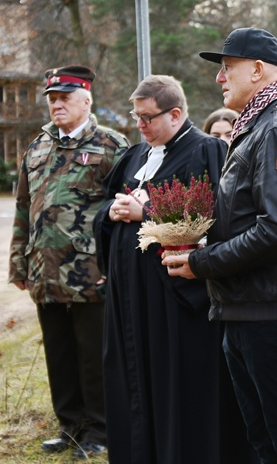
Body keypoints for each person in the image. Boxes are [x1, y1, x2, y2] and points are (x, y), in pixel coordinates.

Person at [162, 27, 277, 464]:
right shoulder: (258, 125)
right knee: (267, 443)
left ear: (257, 70)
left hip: (272, 314)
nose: (219, 79)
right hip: (250, 308)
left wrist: (202, 262)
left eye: (226, 68)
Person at [92, 75, 243, 464]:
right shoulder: (134, 156)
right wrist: (110, 213)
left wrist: (150, 211)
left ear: (175, 114)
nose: (139, 126)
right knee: (132, 380)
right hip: (129, 298)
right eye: (136, 116)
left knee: (176, 385)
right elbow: (104, 206)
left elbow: (217, 218)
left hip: (174, 300)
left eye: (147, 118)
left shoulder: (206, 150)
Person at [9, 65, 128, 459]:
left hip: (90, 273)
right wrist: (18, 264)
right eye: (52, 99)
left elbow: (126, 208)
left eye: (64, 98)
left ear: (86, 100)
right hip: (45, 271)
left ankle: (101, 429)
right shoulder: (38, 146)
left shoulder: (112, 145)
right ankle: (70, 426)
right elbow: (24, 208)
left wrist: (117, 269)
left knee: (93, 357)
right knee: (58, 355)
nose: (57, 105)